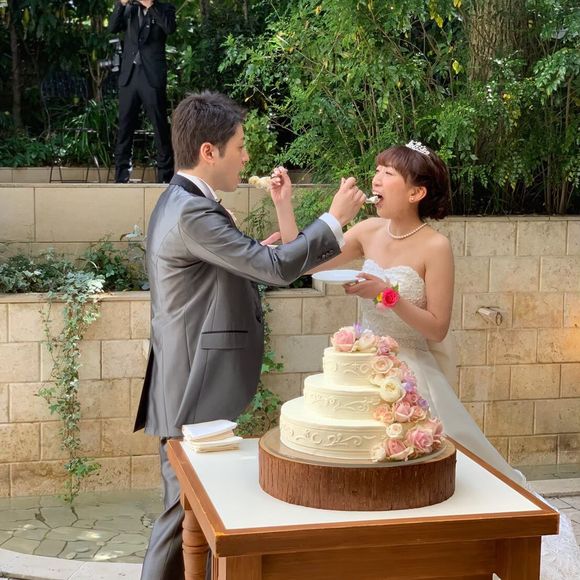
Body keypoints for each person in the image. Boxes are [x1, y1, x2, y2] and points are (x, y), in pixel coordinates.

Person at [276, 141, 580, 578]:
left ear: (416, 192)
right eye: (377, 169)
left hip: (410, 374)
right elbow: (303, 264)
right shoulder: (366, 230)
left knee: (438, 477)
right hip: (361, 368)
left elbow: (437, 327)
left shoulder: (436, 246)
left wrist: (385, 294)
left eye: (388, 173)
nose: (376, 179)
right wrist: (283, 203)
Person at [133, 91, 366, 580]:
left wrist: (254, 250)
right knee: (180, 515)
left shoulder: (184, 201)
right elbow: (275, 269)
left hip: (190, 375)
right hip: (192, 381)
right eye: (239, 147)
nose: (246, 157)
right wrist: (334, 219)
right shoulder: (194, 211)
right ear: (209, 151)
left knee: (192, 513)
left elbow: (217, 271)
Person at [109, 0, 175, 183]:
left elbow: (169, 29)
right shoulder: (129, 8)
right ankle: (121, 176)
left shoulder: (165, 8)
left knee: (160, 126)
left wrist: (150, 6)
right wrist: (121, 4)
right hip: (129, 76)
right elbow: (112, 27)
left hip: (152, 76)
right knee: (125, 127)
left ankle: (165, 177)